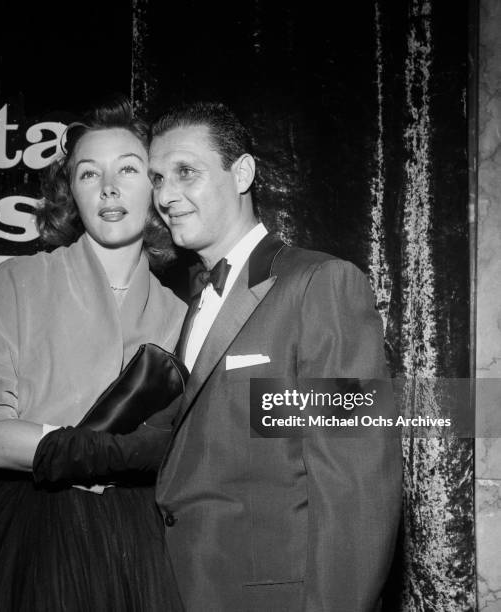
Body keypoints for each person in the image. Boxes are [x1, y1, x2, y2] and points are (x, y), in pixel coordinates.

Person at [0, 98, 186, 611]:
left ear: (157, 187)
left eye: (128, 168)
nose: (108, 187)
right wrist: (88, 452)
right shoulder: (13, 283)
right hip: (19, 533)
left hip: (138, 546)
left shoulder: (184, 317)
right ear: (70, 194)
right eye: (87, 173)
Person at [147, 102, 403, 611]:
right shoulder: (193, 303)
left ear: (241, 173)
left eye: (185, 173)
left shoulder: (320, 284)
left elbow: (355, 484)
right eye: (156, 179)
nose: (166, 195)